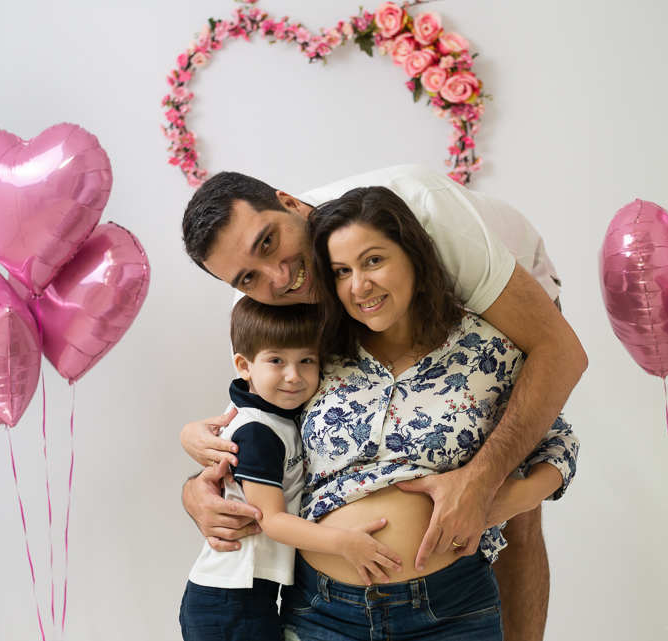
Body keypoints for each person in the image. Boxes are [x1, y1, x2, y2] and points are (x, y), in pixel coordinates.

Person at [181, 165, 587, 639]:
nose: (279, 277)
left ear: (290, 202)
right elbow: (260, 429)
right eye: (249, 276)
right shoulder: (278, 309)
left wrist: (486, 484)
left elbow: (559, 355)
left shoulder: (432, 219)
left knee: (512, 509)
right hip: (326, 608)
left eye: (269, 242)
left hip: (509, 276)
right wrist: (197, 487)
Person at [181, 298, 404, 641]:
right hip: (231, 598)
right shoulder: (257, 431)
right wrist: (344, 543)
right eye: (276, 360)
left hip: (250, 593)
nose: (293, 376)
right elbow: (270, 519)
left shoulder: (276, 416)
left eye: (306, 361)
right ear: (244, 365)